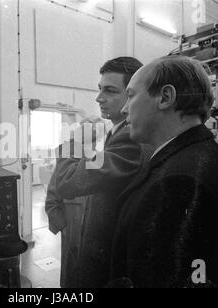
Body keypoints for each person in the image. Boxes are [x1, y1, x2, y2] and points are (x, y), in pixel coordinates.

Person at [110, 55, 218, 288]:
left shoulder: (178, 180)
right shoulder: (201, 155)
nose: (125, 109)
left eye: (131, 95)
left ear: (166, 97)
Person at [45, 57, 150, 288]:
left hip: (107, 254)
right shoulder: (119, 132)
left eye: (110, 91)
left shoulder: (130, 137)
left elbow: (66, 181)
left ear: (133, 94)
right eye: (100, 89)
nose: (99, 98)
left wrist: (78, 140)